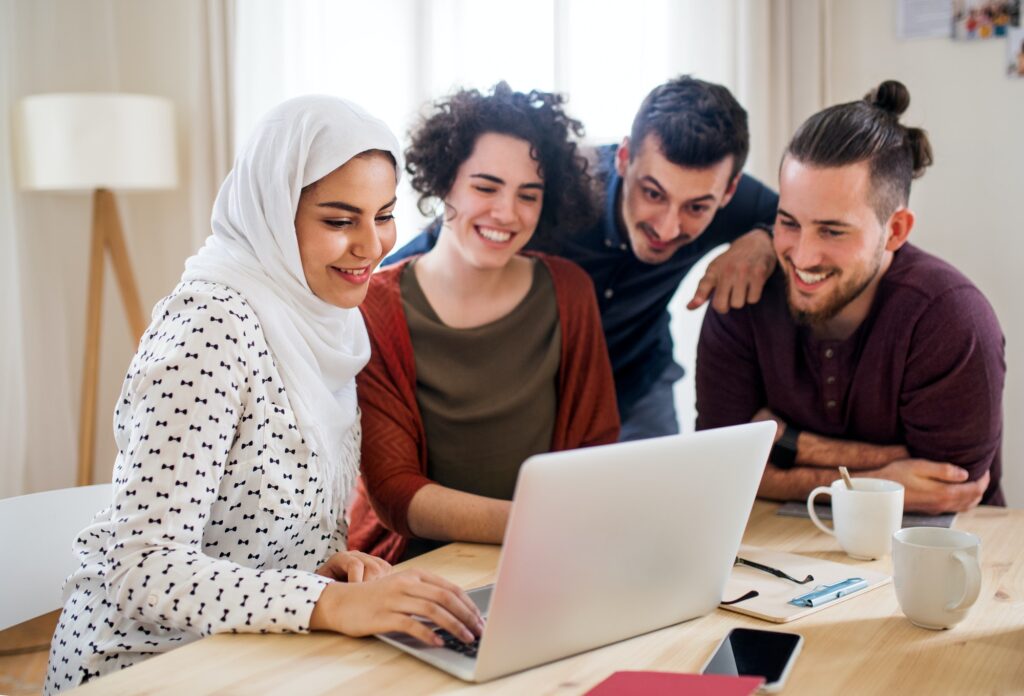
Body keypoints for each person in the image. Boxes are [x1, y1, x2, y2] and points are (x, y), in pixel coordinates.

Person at [45, 96, 483, 694]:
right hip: (145, 668)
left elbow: (248, 535)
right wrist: (325, 603)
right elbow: (139, 568)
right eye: (339, 220)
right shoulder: (210, 328)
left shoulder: (324, 318)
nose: (372, 245)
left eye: (383, 214)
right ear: (274, 216)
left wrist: (323, 569)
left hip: (257, 653)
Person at [387, 76, 779, 441]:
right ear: (625, 158)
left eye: (696, 208)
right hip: (537, 390)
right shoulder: (558, 192)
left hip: (640, 380)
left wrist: (764, 238)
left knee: (660, 504)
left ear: (728, 193)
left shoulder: (733, 201)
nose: (666, 227)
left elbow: (798, 217)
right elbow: (445, 243)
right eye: (653, 194)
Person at [696, 80, 1005, 514]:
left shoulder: (950, 316)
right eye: (788, 222)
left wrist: (785, 443)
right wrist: (878, 479)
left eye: (832, 230)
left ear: (895, 231)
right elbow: (716, 466)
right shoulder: (742, 294)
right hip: (781, 552)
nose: (801, 255)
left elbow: (948, 486)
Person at [347, 83, 619, 563]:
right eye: (486, 187)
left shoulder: (569, 291)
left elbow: (595, 452)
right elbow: (394, 493)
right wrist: (540, 526)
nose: (507, 213)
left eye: (528, 195)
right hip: (414, 569)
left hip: (544, 561)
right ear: (444, 180)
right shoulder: (373, 307)